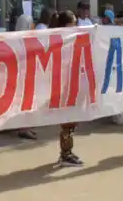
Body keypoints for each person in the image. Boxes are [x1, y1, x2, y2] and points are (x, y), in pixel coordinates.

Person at [52, 10, 84, 166]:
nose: (76, 25)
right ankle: (65, 154)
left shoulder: (71, 39)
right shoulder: (59, 41)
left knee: (72, 122)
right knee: (67, 121)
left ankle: (67, 152)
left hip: (71, 84)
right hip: (63, 86)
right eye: (73, 23)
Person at [13, 13, 38, 140]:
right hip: (23, 76)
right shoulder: (19, 41)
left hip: (28, 74)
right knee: (24, 101)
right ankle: (23, 128)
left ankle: (26, 126)